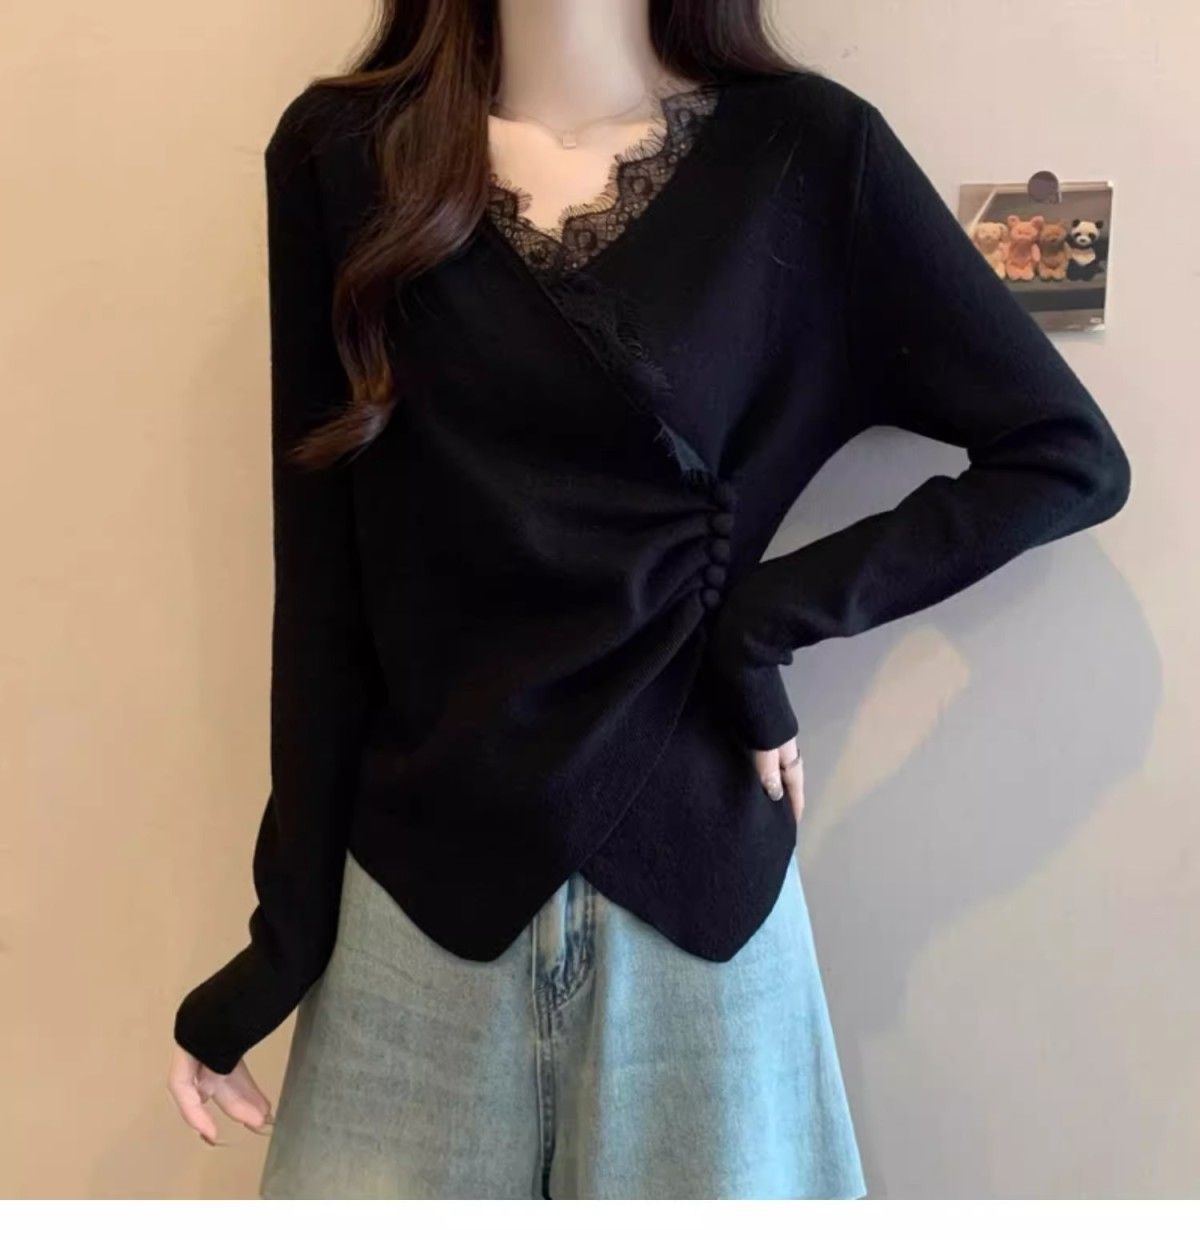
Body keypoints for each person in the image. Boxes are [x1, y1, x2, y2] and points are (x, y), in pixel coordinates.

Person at [166, 0, 1131, 1200]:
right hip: (417, 912)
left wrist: (761, 621)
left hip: (699, 904)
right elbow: (322, 593)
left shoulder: (806, 152)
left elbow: (1064, 457)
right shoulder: (344, 156)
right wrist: (281, 943)